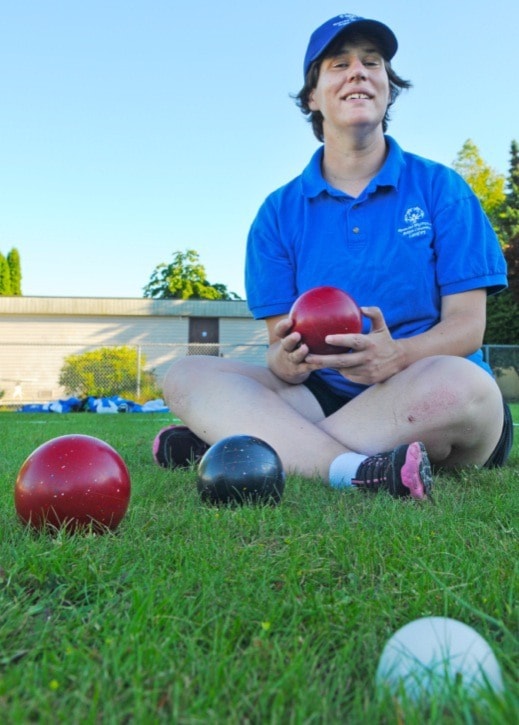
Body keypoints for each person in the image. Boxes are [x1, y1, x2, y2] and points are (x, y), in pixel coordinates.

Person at [153, 13, 513, 498]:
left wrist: (397, 355)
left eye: (372, 62)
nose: (359, 72)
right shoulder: (278, 213)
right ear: (313, 97)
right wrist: (284, 363)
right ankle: (353, 469)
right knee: (186, 374)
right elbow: (280, 346)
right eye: (338, 64)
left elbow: (469, 327)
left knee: (459, 385)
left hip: (427, 387)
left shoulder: (442, 189)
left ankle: (249, 446)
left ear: (388, 88)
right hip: (321, 398)